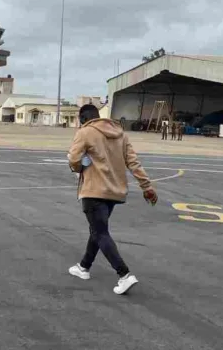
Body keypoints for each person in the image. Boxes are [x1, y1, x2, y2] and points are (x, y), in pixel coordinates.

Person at [67, 104, 158, 295]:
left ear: (82, 119)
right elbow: (133, 162)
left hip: (94, 191)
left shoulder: (85, 133)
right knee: (98, 230)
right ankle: (83, 267)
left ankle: (124, 274)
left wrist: (78, 167)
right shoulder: (121, 134)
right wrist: (146, 186)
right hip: (114, 192)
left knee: (100, 233)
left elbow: (74, 161)